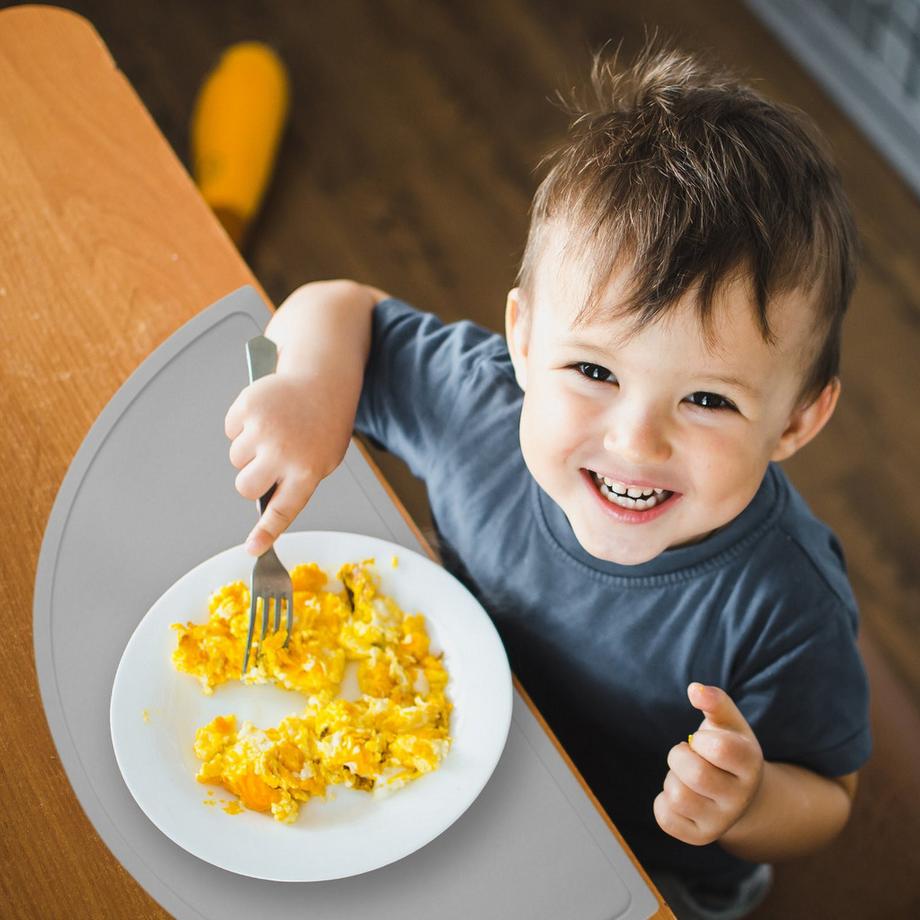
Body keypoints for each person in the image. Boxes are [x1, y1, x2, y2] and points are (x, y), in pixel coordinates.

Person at [224, 43, 871, 919]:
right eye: (595, 372)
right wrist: (304, 386)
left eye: (708, 399)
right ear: (523, 341)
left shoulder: (788, 603)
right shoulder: (483, 408)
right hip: (441, 751)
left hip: (635, 860)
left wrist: (748, 804)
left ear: (796, 421)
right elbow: (341, 307)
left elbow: (829, 795)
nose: (635, 439)